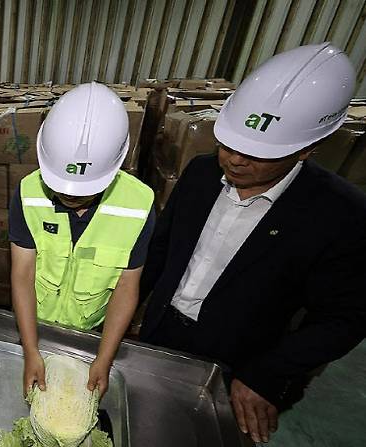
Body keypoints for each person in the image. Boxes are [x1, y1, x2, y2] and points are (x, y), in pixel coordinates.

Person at [138, 43, 366, 443]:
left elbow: (344, 318)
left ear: (307, 149)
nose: (235, 161)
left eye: (258, 154)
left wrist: (268, 375)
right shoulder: (200, 173)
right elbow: (160, 250)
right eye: (228, 144)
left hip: (240, 361)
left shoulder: (341, 214)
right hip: (159, 333)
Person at [10, 82, 156, 398]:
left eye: (85, 188)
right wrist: (31, 349)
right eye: (61, 184)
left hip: (91, 334)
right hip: (35, 324)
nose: (70, 195)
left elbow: (127, 286)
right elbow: (22, 274)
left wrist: (104, 358)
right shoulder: (27, 193)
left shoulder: (139, 205)